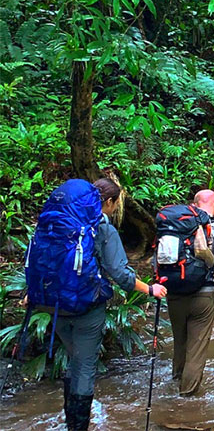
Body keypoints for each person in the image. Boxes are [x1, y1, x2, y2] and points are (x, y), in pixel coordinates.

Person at [33, 178, 167, 431]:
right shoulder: (101, 228)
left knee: (75, 358)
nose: (116, 209)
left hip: (53, 302)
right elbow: (119, 273)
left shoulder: (57, 221)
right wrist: (149, 288)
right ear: (108, 201)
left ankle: (70, 421)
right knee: (84, 365)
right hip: (85, 307)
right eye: (116, 203)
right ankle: (78, 426)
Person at [165, 189, 214, 396]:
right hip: (203, 296)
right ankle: (186, 400)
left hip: (174, 293)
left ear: (193, 206)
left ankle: (175, 382)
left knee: (180, 341)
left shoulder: (174, 228)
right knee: (196, 348)